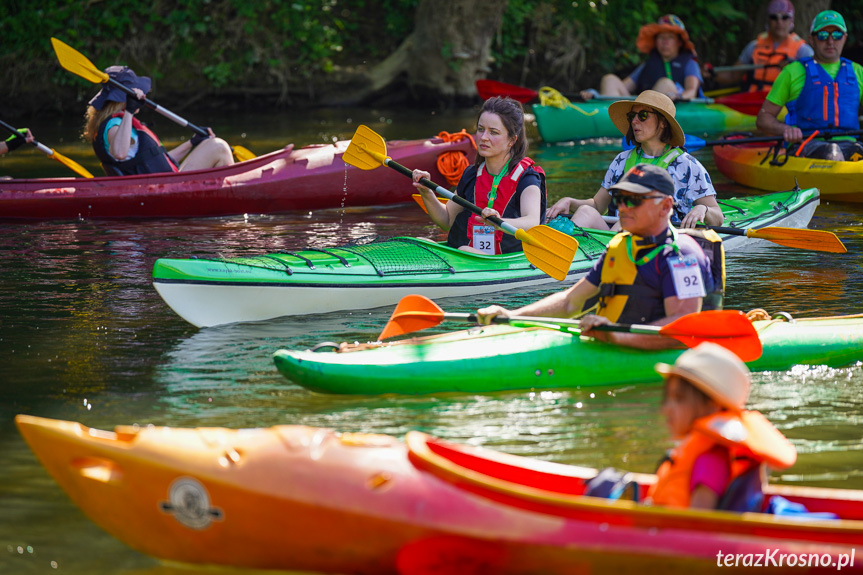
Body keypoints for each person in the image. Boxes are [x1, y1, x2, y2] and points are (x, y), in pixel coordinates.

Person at [478, 164, 721, 351]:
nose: (623, 207)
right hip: (613, 343)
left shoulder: (681, 256)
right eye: (620, 199)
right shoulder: (619, 247)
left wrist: (615, 335)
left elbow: (684, 327)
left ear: (666, 206)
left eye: (634, 200)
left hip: (650, 351)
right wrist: (511, 316)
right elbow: (570, 303)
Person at [646, 342, 797, 510]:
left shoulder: (709, 461)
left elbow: (698, 525)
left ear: (713, 406)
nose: (666, 409)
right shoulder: (706, 451)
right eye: (668, 399)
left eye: (679, 399)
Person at [547, 90, 723, 230]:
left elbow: (718, 218)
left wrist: (703, 209)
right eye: (632, 116)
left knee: (631, 217)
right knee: (585, 211)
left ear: (662, 122)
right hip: (617, 235)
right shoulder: (621, 161)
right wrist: (571, 202)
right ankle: (562, 252)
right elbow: (597, 205)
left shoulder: (688, 165)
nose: (635, 122)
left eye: (643, 116)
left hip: (660, 241)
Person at [411, 96, 546, 255]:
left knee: (464, 250)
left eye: (493, 132)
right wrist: (426, 191)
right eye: (481, 129)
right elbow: (446, 220)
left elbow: (532, 222)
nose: (483, 137)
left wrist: (498, 222)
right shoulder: (471, 174)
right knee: (420, 243)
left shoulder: (527, 178)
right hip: (466, 255)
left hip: (502, 262)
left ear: (512, 140)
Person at [83, 66, 234, 176]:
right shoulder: (114, 126)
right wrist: (129, 110)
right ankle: (232, 199)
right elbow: (120, 153)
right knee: (219, 147)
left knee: (209, 143)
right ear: (123, 99)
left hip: (164, 183)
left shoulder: (115, 123)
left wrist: (192, 143)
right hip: (163, 188)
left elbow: (158, 160)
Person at [756, 10, 863, 162]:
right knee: (832, 154)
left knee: (854, 153)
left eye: (837, 35)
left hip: (851, 145)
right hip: (806, 144)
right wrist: (786, 129)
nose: (830, 41)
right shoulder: (792, 72)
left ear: (844, 38)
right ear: (811, 40)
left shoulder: (858, 72)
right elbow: (763, 119)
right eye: (823, 35)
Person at [581, 15, 703, 102]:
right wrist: (596, 94)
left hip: (674, 107)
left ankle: (644, 121)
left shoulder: (689, 63)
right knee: (610, 79)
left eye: (670, 37)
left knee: (665, 83)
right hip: (641, 109)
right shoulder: (649, 64)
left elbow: (691, 91)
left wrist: (679, 96)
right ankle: (611, 118)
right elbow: (624, 86)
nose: (665, 42)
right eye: (661, 37)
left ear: (679, 43)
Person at [705, 0, 813, 92]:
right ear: (768, 21)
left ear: (791, 21)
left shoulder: (802, 50)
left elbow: (817, 78)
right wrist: (712, 74)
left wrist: (797, 70)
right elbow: (733, 75)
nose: (779, 22)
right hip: (753, 102)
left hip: (783, 104)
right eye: (774, 17)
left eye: (784, 17)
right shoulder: (753, 47)